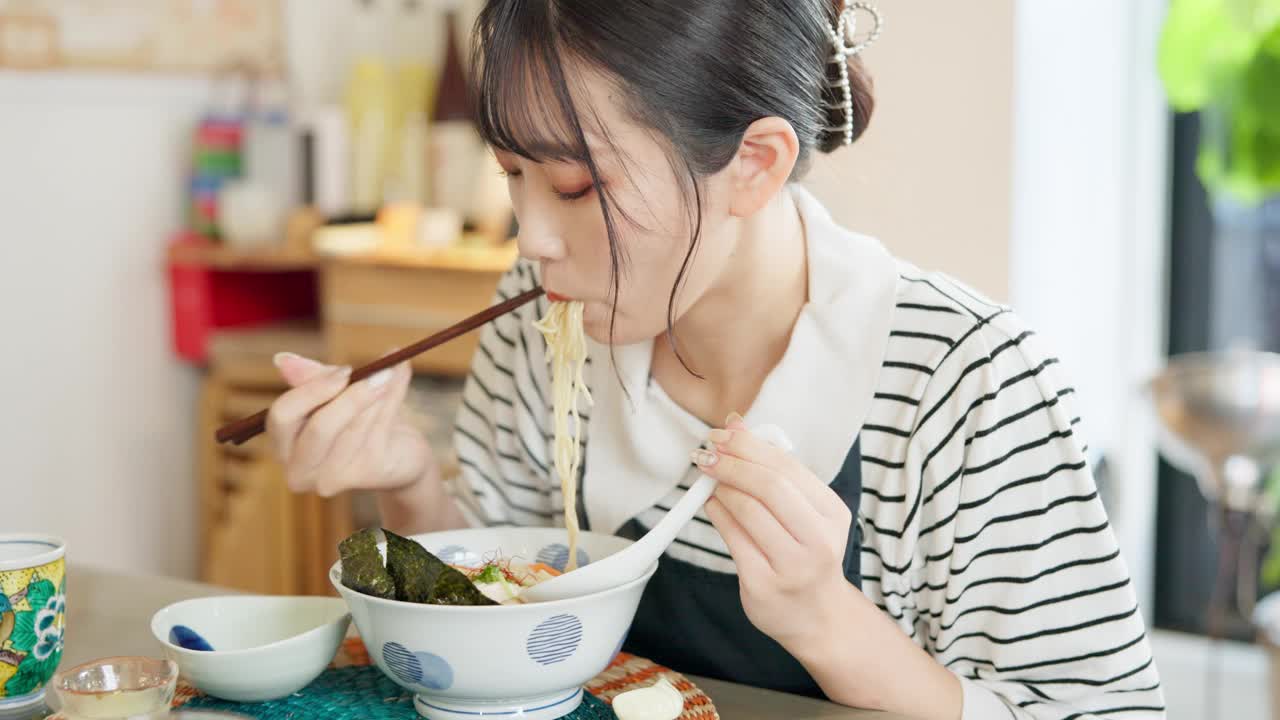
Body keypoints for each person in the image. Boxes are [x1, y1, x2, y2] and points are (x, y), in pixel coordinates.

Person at [266, 2, 1166, 717]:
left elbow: (1104, 711)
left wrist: (830, 625)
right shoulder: (541, 320)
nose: (533, 235)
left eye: (578, 186)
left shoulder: (968, 384)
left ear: (754, 165)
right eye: (512, 174)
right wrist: (410, 480)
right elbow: (494, 629)